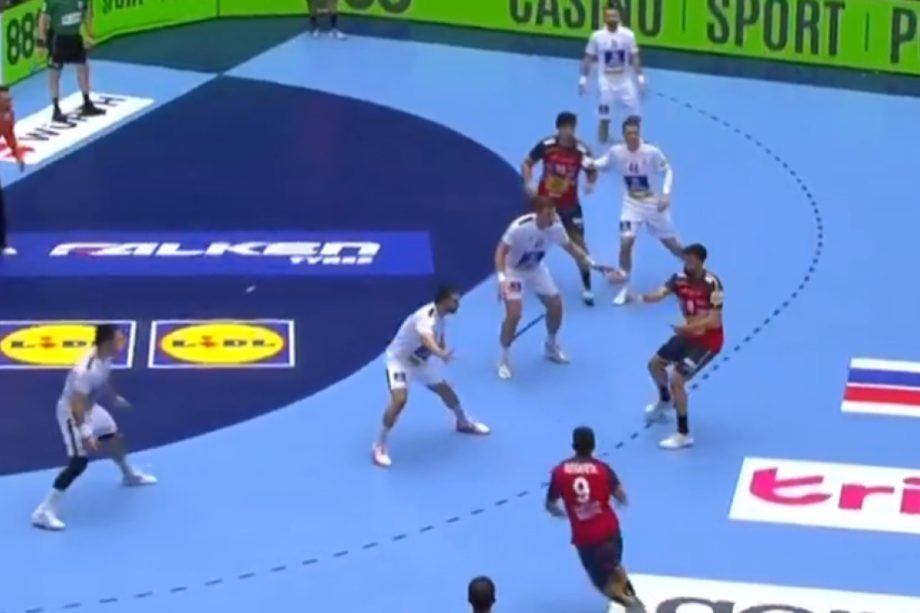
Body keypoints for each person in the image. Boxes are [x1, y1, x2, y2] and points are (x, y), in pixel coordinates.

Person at [32, 324, 157, 531]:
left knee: (114, 438)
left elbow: (105, 378)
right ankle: (43, 512)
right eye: (119, 340)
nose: (123, 343)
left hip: (89, 408)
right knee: (78, 463)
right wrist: (86, 433)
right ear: (107, 343)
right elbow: (76, 404)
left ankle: (129, 475)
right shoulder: (85, 371)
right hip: (72, 415)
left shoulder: (105, 357)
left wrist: (114, 397)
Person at [373, 285, 489, 468]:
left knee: (446, 391)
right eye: (454, 301)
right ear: (444, 301)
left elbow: (437, 341)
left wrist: (442, 351)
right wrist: (440, 353)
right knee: (400, 400)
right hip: (399, 361)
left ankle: (463, 422)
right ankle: (379, 445)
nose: (458, 304)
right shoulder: (425, 317)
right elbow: (426, 338)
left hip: (420, 363)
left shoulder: (442, 319)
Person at [495, 196, 610, 380]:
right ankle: (504, 359)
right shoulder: (519, 228)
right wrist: (502, 279)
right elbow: (500, 252)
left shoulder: (556, 227)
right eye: (548, 214)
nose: (553, 217)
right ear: (537, 213)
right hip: (513, 272)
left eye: (554, 212)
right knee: (514, 314)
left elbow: (571, 248)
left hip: (535, 269)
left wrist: (592, 264)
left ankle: (550, 346)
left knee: (556, 305)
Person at [626, 244, 724, 450]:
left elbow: (714, 321)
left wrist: (687, 328)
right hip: (687, 335)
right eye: (685, 259)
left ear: (701, 262)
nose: (687, 263)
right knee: (654, 365)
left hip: (708, 342)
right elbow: (660, 294)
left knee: (677, 380)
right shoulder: (678, 279)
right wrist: (639, 297)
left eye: (691, 260)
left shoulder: (712, 284)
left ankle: (683, 433)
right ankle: (665, 401)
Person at [547, 427, 644, 612]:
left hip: (587, 539)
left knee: (601, 583)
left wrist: (563, 513)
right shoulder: (603, 469)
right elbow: (621, 496)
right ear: (593, 446)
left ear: (573, 446)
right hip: (610, 529)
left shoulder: (559, 472)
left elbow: (551, 504)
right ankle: (632, 597)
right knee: (614, 566)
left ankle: (631, 605)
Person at [589, 115, 682, 306]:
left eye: (635, 133)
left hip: (653, 203)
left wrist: (665, 194)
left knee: (671, 244)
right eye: (629, 133)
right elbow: (602, 164)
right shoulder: (616, 152)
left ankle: (694, 268)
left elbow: (668, 171)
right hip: (631, 203)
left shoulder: (651, 151)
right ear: (623, 135)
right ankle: (624, 278)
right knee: (626, 242)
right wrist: (585, 161)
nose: (633, 136)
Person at [522, 112, 599, 306]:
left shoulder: (582, 150)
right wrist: (529, 182)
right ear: (558, 129)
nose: (569, 131)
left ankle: (587, 287)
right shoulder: (547, 145)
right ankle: (522, 269)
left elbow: (592, 170)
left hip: (569, 206)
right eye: (565, 127)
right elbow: (527, 163)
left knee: (580, 245)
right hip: (544, 205)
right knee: (531, 238)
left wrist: (591, 183)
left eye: (571, 127)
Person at [579, 8, 646, 144]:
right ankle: (602, 143)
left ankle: (634, 141)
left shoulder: (628, 35)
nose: (611, 19)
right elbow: (588, 57)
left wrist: (640, 76)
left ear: (618, 17)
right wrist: (584, 78)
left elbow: (634, 56)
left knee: (635, 114)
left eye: (614, 16)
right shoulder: (597, 37)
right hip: (605, 84)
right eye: (608, 16)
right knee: (604, 117)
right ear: (604, 18)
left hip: (625, 82)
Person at [0, 85, 25, 257]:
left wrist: (17, 155)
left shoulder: (9, 114)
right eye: (5, 100)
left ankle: (2, 244)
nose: (10, 102)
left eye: (10, 99)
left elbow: (9, 135)